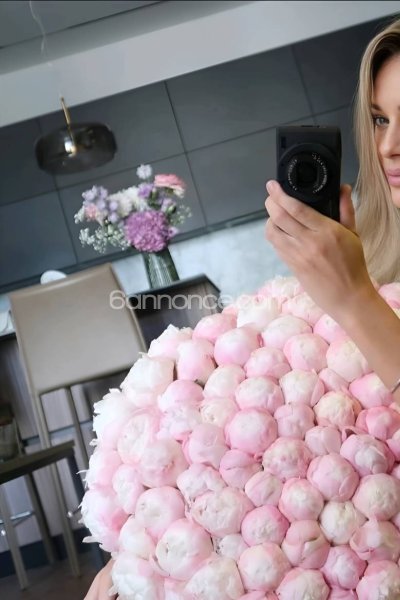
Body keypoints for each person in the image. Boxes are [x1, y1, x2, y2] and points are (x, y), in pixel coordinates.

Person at [83, 16, 400, 600]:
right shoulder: (377, 245)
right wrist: (138, 553)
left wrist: (355, 297)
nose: (387, 147)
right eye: (380, 119)